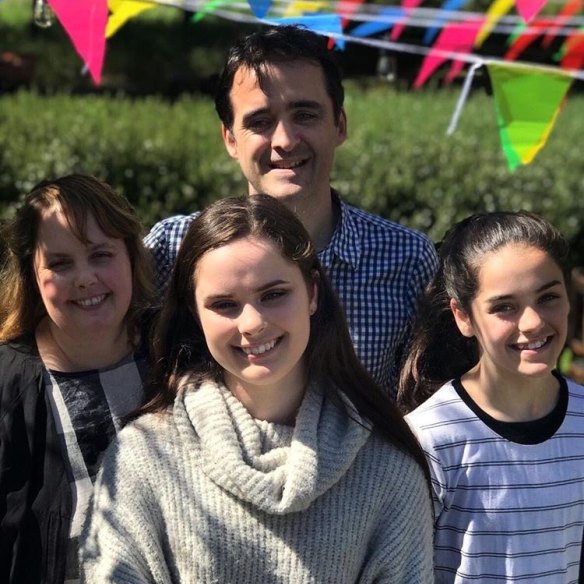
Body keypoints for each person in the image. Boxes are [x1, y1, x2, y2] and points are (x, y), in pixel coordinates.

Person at [80, 194, 434, 583]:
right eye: (224, 304)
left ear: (312, 293)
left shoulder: (387, 469)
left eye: (274, 295)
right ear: (194, 314)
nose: (252, 323)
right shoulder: (143, 458)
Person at [144, 25, 438, 397]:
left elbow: (422, 406)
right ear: (230, 139)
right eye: (260, 122)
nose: (284, 140)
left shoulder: (405, 258)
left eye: (305, 115)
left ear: (340, 125)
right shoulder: (172, 249)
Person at [400, 211, 584, 583]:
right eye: (505, 307)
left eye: (547, 297)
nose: (532, 322)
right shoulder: (430, 440)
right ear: (462, 316)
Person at [0, 175, 155, 584]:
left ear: (131, 256)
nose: (84, 278)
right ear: (32, 274)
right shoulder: (7, 386)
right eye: (60, 263)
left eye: (101, 254)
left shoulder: (176, 354)